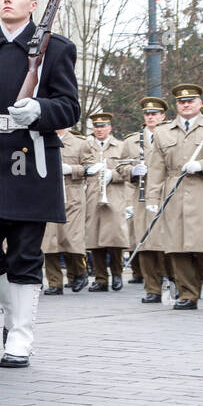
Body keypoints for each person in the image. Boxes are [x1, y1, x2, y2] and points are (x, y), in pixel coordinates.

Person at [0, 0, 78, 366]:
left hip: (30, 162)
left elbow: (69, 107)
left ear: (33, 3)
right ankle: (15, 310)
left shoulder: (55, 49)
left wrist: (40, 110)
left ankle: (21, 336)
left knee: (26, 253)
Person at [145, 83, 203, 310]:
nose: (186, 105)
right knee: (177, 247)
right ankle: (188, 294)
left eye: (190, 101)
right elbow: (156, 169)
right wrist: (152, 199)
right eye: (181, 102)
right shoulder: (163, 132)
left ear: (200, 104)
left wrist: (202, 164)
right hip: (174, 192)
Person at [119, 97, 168, 300]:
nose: (150, 117)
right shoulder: (131, 141)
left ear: (163, 116)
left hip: (166, 194)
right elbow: (120, 167)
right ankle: (152, 289)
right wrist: (132, 170)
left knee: (166, 243)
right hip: (141, 197)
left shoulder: (169, 135)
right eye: (147, 114)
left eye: (154, 114)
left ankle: (174, 282)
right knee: (145, 244)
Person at [41, 128, 95, 294]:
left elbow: (91, 168)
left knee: (72, 239)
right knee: (49, 242)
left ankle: (80, 272)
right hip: (48, 193)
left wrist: (72, 170)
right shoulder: (42, 140)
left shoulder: (80, 143)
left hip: (72, 194)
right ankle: (54, 283)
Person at [84, 112, 129, 291]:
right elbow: (82, 166)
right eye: (96, 126)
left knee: (114, 239)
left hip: (114, 195)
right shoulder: (87, 146)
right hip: (93, 196)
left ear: (109, 128)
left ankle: (117, 275)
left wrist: (114, 174)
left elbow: (127, 170)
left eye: (103, 126)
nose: (99, 129)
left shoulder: (120, 146)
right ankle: (101, 278)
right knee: (95, 240)